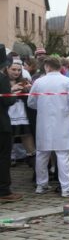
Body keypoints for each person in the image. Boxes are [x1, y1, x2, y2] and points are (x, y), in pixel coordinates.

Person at [27, 56, 69, 197]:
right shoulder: (67, 81)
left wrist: (43, 107)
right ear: (60, 67)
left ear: (47, 66)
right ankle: (66, 187)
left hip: (43, 122)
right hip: (62, 121)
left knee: (42, 154)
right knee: (63, 154)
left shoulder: (39, 82)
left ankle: (41, 185)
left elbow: (31, 102)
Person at [0, 46, 22, 202]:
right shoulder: (2, 78)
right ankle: (4, 191)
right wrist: (14, 95)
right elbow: (7, 100)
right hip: (1, 124)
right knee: (3, 158)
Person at [6, 58, 36, 168]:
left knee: (29, 142)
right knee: (7, 144)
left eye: (19, 70)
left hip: (23, 116)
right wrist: (11, 90)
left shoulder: (24, 81)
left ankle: (36, 173)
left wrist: (28, 90)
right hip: (7, 116)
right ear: (7, 68)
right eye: (13, 69)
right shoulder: (3, 81)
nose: (16, 72)